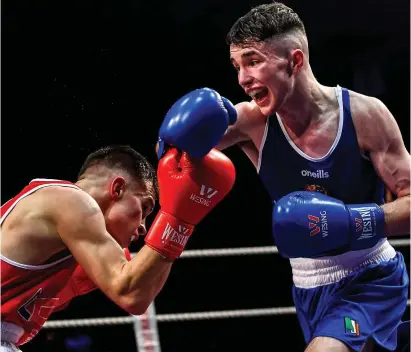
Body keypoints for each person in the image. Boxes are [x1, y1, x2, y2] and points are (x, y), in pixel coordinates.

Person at [155, 2, 410, 351]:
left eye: (253, 61)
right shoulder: (250, 122)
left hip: (372, 278)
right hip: (307, 289)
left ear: (295, 61)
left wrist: (352, 222)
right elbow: (172, 158)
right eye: (237, 66)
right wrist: (172, 142)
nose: (242, 79)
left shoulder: (364, 116)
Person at [1, 144, 236, 351]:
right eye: (144, 208)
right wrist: (178, 217)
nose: (144, 227)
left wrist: (181, 221)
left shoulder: (69, 230)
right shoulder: (70, 201)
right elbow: (129, 292)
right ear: (117, 189)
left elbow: (139, 298)